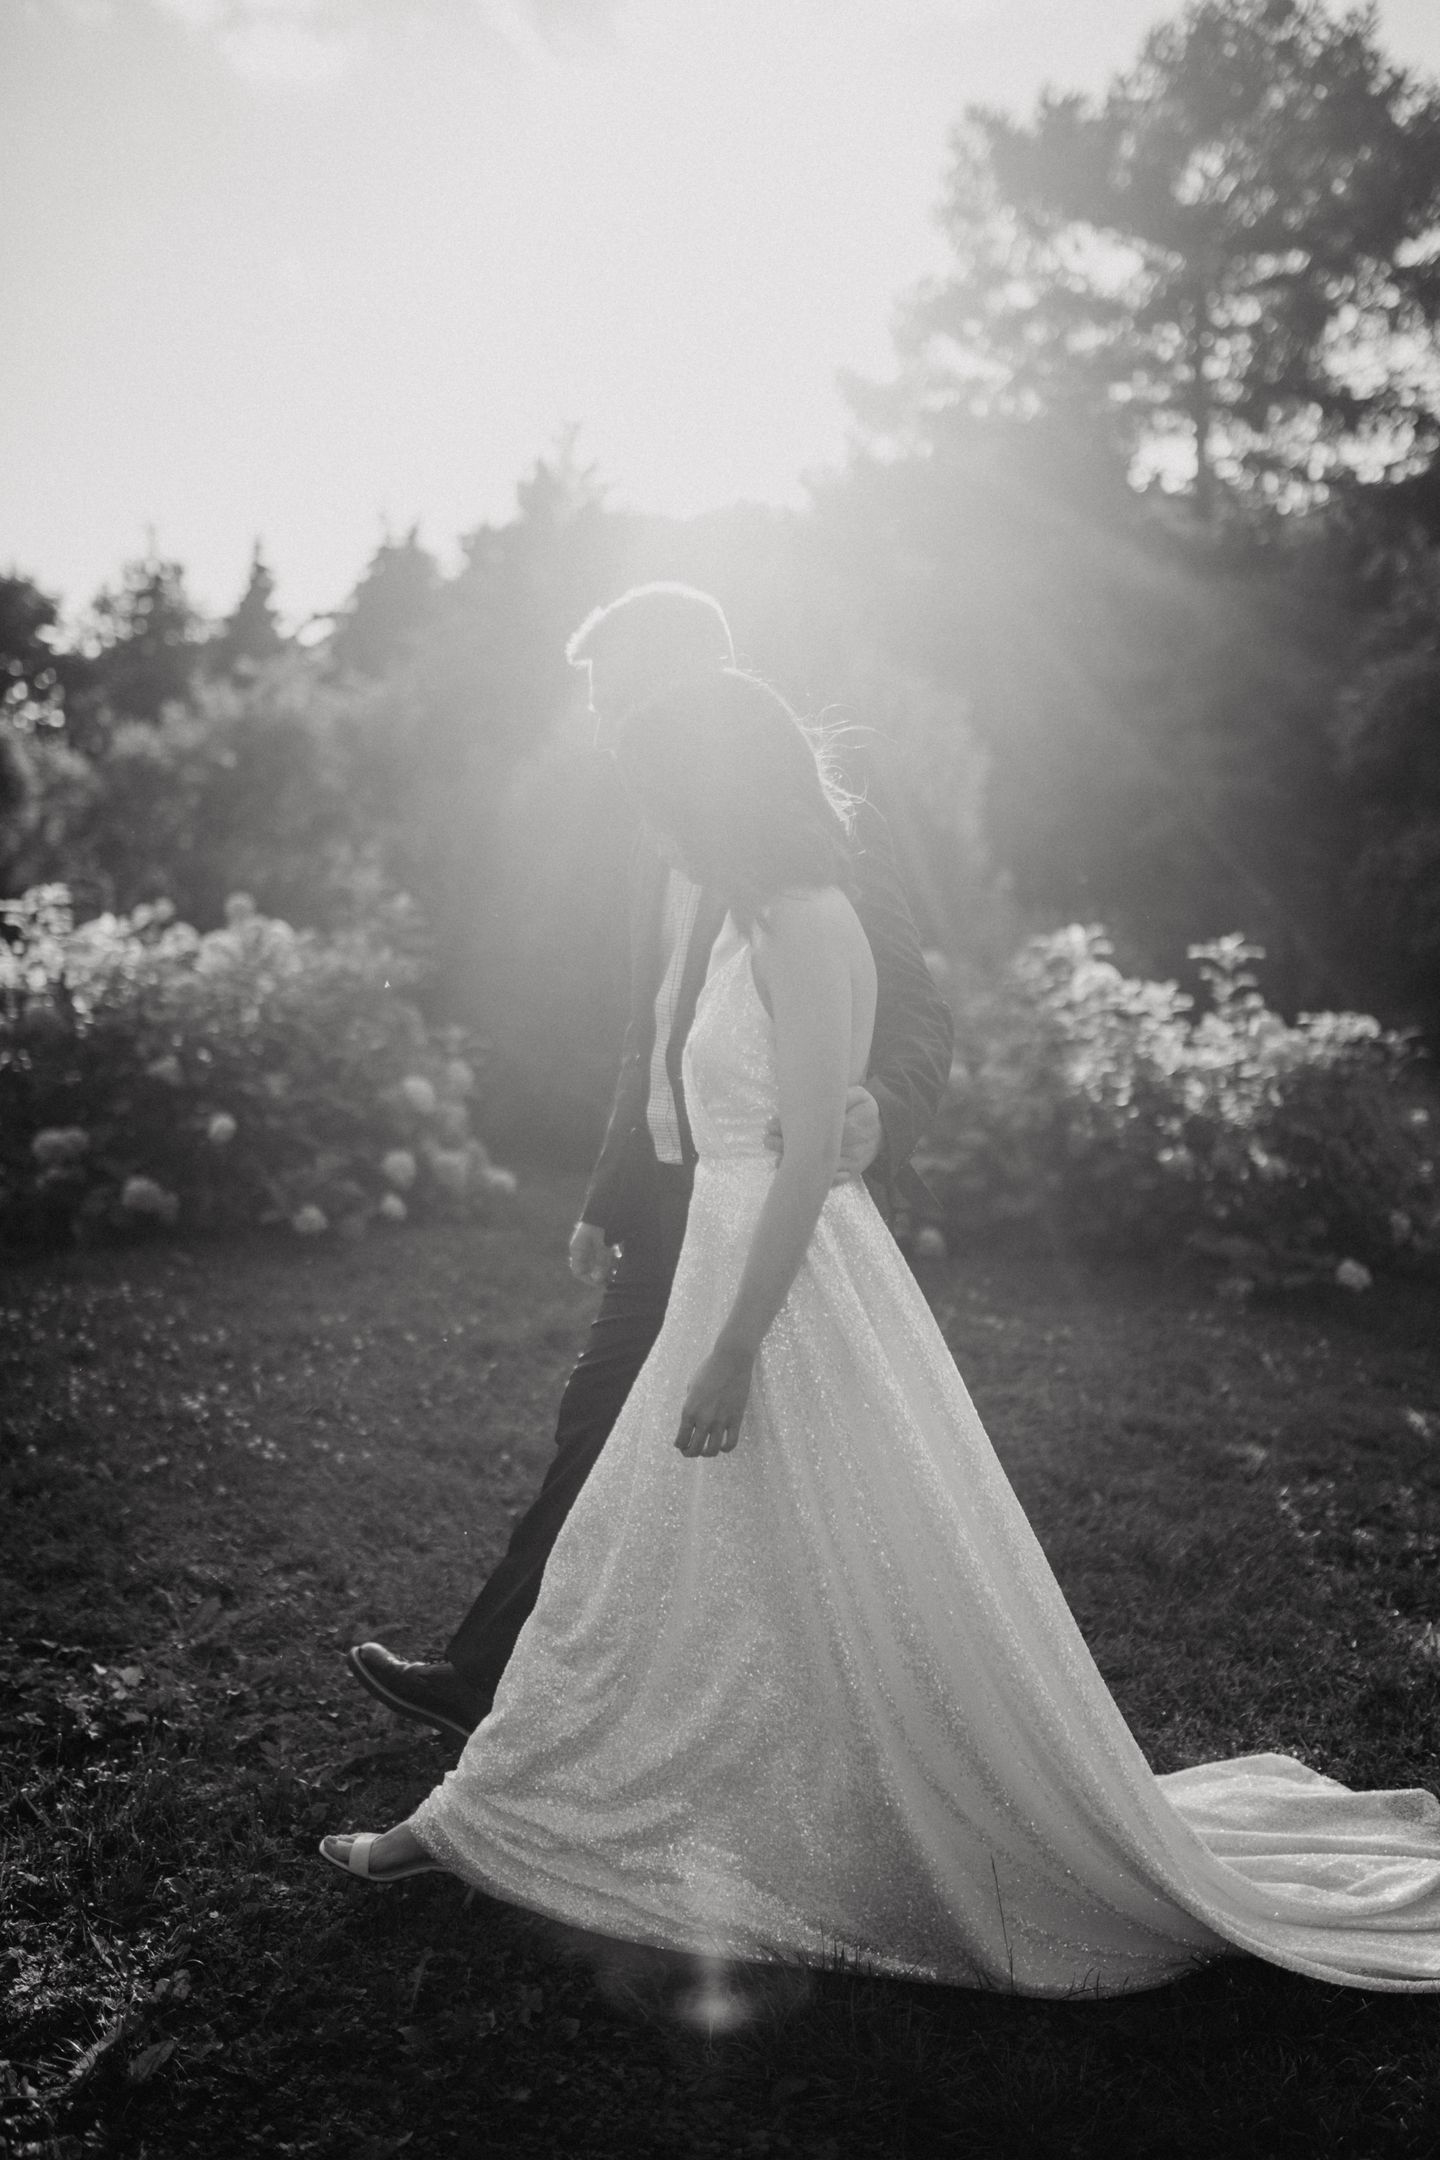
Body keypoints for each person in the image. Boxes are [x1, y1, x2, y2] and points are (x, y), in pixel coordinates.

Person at [322, 661, 1440, 1997]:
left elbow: (805, 1159)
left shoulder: (804, 922)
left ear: (717, 791)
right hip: (726, 1267)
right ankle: (499, 1813)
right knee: (639, 1567)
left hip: (779, 1286)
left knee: (703, 1563)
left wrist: (735, 1346)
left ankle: (486, 1821)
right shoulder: (748, 920)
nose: (654, 829)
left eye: (664, 799)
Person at [344, 583, 954, 1742]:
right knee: (598, 1430)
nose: (601, 717)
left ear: (687, 678)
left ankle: (790, 1711)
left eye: (614, 690)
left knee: (788, 1464)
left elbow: (919, 1011)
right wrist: (606, 1191)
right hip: (668, 1195)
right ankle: (492, 1682)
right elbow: (658, 1026)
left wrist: (883, 1106)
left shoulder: (817, 836)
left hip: (777, 1197)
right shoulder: (655, 831)